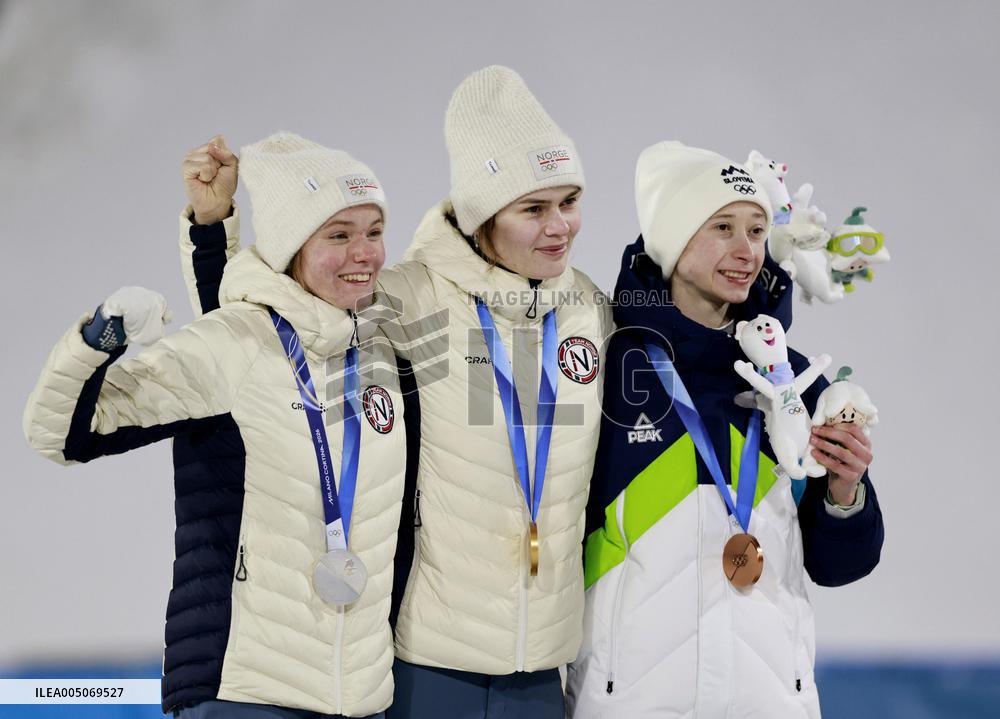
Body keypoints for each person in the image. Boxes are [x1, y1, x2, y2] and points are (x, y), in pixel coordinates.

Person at [173, 67, 613, 719]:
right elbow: (269, 335)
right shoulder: (416, 302)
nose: (560, 226)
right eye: (534, 207)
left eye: (569, 200)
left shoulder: (588, 313)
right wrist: (214, 231)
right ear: (486, 212)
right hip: (426, 665)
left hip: (540, 672)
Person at [23, 132, 407, 719]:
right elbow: (62, 432)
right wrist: (101, 339)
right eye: (339, 235)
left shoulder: (379, 350)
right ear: (289, 249)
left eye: (374, 232)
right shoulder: (234, 348)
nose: (365, 253)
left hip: (363, 700)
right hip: (242, 694)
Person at [565, 141, 885, 718]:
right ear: (672, 239)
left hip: (768, 703)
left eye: (758, 231)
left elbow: (840, 566)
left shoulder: (791, 380)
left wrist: (845, 493)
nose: (747, 251)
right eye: (723, 228)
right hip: (630, 701)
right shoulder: (610, 368)